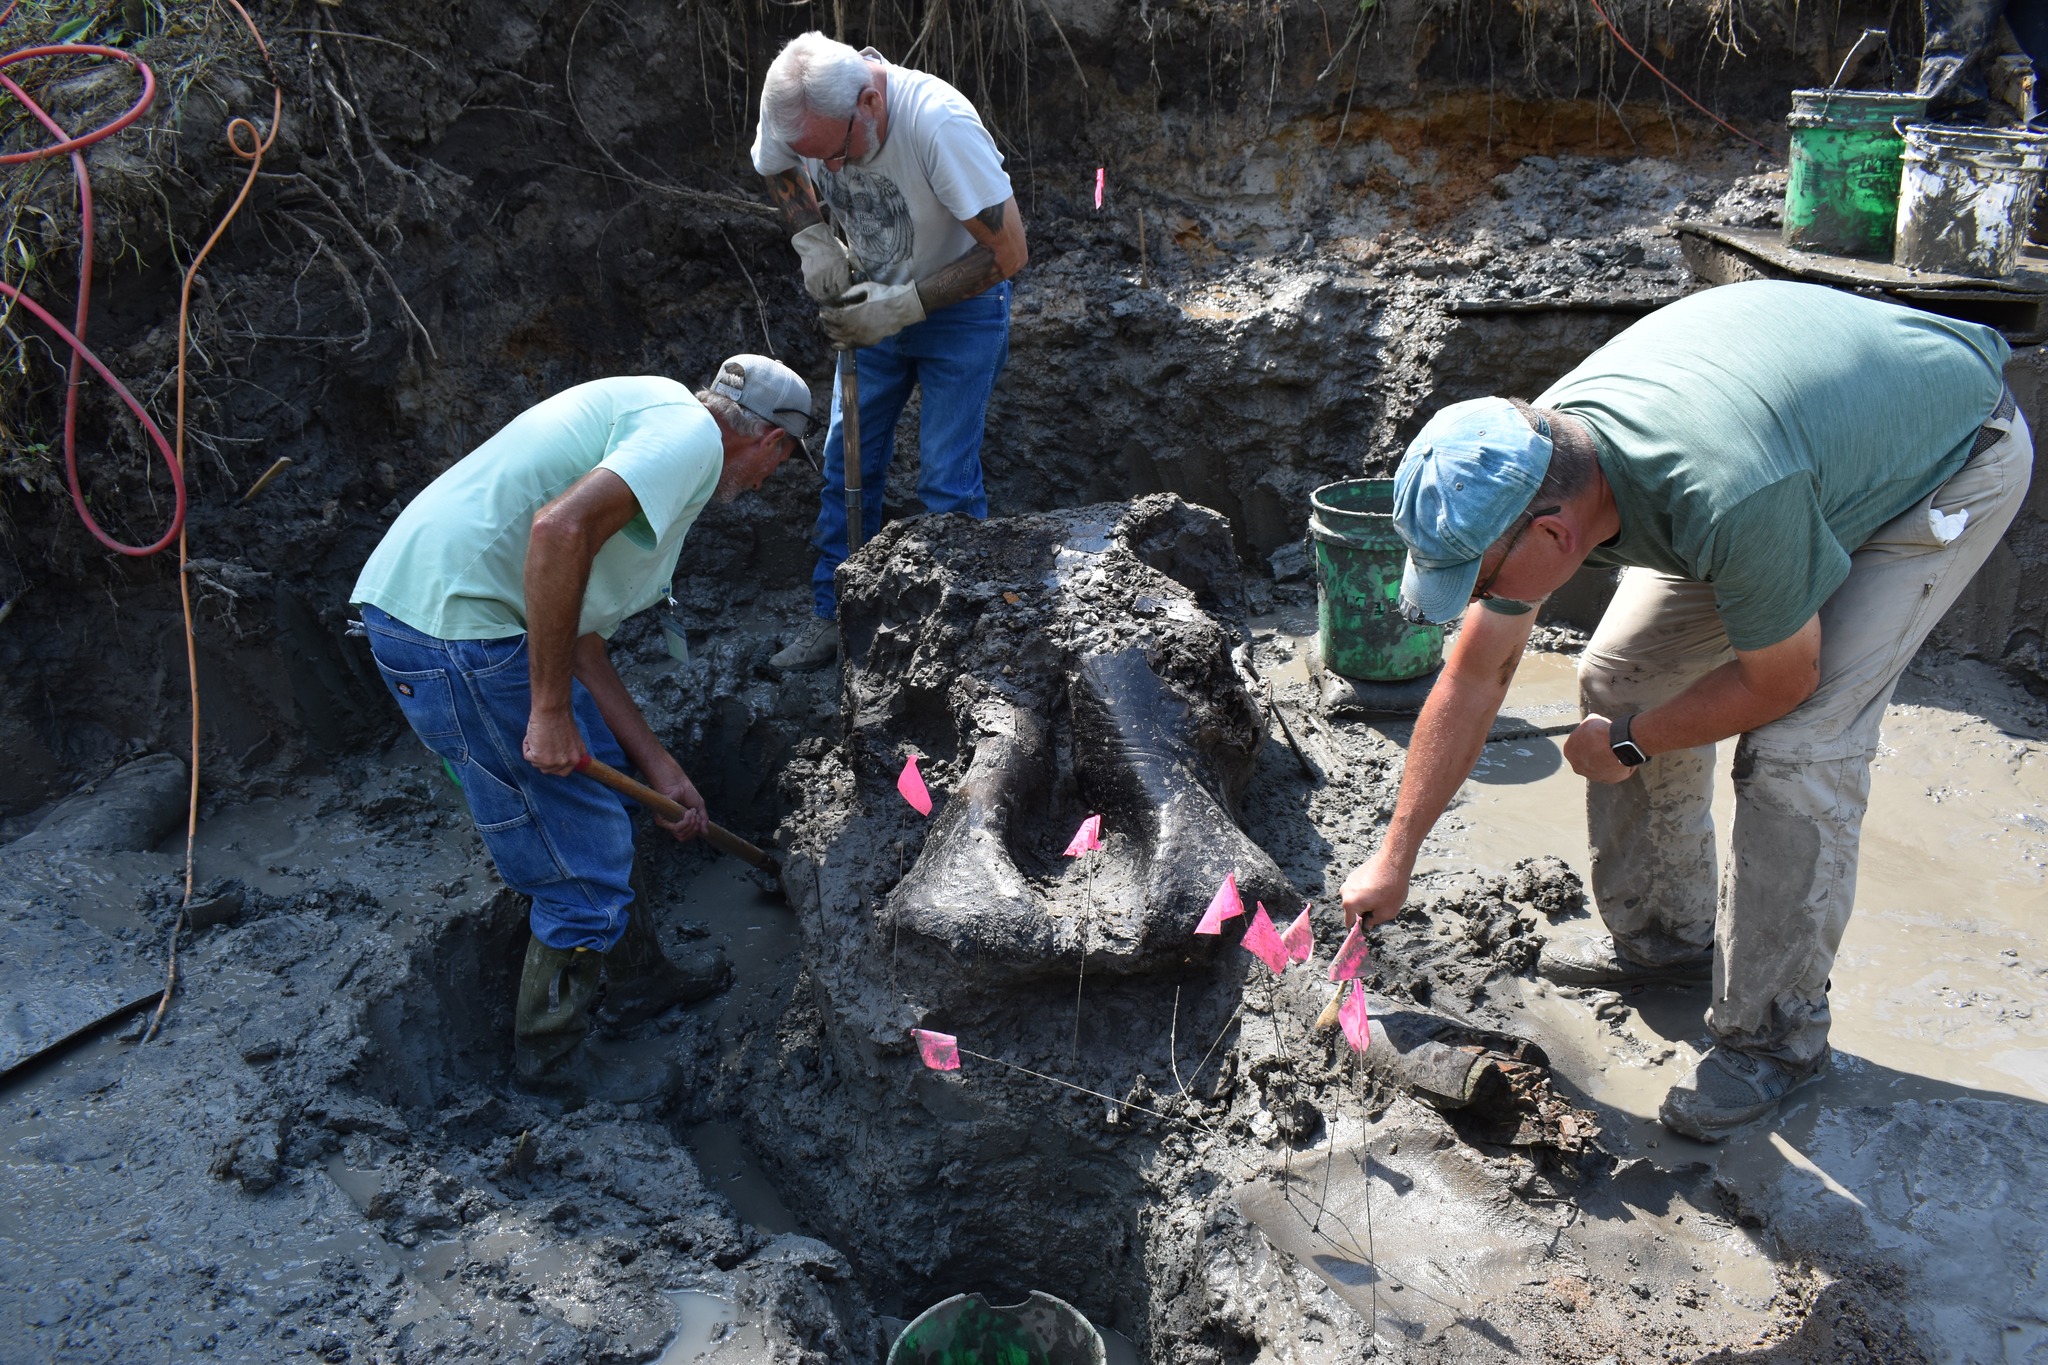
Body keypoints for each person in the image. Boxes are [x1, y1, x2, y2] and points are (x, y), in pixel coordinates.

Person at [1338, 280, 2031, 1141]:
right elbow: (1476, 674)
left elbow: (1783, 680)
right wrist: (1394, 856)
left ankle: (1776, 1038)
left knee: (1794, 748)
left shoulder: (1724, 494)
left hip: (1946, 454)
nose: (1475, 602)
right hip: (1790, 450)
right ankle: (1665, 938)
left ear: (1555, 535)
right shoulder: (1531, 457)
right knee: (1623, 671)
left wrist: (1631, 743)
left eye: (1475, 581)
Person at [351, 357, 814, 1099]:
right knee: (580, 858)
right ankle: (553, 1064)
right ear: (769, 443)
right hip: (457, 633)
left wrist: (656, 763)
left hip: (464, 615)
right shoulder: (689, 440)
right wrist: (548, 710)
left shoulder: (658, 420)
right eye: (778, 466)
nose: (764, 484)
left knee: (599, 791)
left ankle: (636, 980)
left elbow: (580, 629)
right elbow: (557, 530)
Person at [750, 30, 1028, 673]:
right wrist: (815, 240)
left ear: (870, 103)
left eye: (839, 155)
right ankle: (835, 617)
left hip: (963, 312)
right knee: (846, 468)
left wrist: (902, 308)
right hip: (866, 303)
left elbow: (1010, 253)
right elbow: (777, 166)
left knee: (945, 481)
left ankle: (954, 641)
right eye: (822, 160)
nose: (836, 172)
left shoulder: (941, 126)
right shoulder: (795, 105)